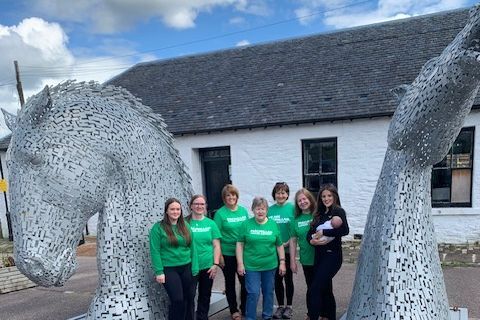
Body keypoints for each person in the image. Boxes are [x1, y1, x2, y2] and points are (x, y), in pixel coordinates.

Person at [236, 197, 286, 320]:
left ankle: (267, 316)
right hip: (251, 266)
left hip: (270, 265)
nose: (260, 211)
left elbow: (279, 245)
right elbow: (239, 244)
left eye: (263, 209)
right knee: (253, 292)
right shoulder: (246, 224)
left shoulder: (273, 225)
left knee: (268, 292)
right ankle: (250, 317)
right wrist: (240, 263)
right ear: (253, 210)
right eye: (257, 208)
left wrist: (282, 262)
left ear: (267, 210)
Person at [149, 198, 199, 320]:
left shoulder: (185, 226)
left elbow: (193, 247)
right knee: (177, 300)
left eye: (178, 209)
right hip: (169, 269)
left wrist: (195, 267)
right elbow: (155, 251)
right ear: (166, 211)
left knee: (189, 298)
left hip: (186, 266)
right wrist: (159, 272)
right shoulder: (158, 228)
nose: (175, 212)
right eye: (172, 209)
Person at [307, 184, 349, 320]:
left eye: (329, 196)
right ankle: (329, 316)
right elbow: (310, 233)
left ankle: (313, 317)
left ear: (335, 196)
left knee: (315, 289)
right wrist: (311, 241)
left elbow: (344, 230)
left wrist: (324, 231)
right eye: (323, 196)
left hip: (332, 256)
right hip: (319, 256)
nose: (326, 199)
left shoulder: (338, 211)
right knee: (326, 289)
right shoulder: (319, 214)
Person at [213, 184, 249, 320]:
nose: (231, 197)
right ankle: (234, 310)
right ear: (224, 197)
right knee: (230, 283)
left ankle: (244, 308)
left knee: (245, 283)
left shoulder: (243, 212)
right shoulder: (220, 214)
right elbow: (216, 237)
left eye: (233, 194)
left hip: (243, 254)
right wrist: (219, 256)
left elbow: (247, 231)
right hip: (227, 254)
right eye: (228, 195)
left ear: (237, 196)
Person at [187, 195, 222, 320]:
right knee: (189, 296)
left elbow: (216, 246)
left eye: (202, 204)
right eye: (196, 204)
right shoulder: (185, 223)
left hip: (208, 266)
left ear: (205, 206)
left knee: (205, 295)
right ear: (191, 206)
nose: (199, 206)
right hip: (190, 266)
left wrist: (215, 264)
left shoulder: (211, 224)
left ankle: (202, 318)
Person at [268, 182, 295, 319]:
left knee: (288, 278)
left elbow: (295, 230)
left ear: (287, 195)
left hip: (288, 249)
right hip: (274, 251)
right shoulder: (269, 210)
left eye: (283, 192)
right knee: (277, 279)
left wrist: (288, 242)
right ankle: (280, 306)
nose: (281, 195)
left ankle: (289, 307)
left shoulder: (293, 209)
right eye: (278, 193)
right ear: (274, 194)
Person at [289, 188, 317, 320]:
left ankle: (325, 313)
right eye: (299, 200)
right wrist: (293, 261)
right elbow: (293, 241)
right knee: (311, 288)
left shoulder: (317, 215)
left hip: (321, 259)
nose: (302, 202)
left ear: (310, 199)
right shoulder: (295, 220)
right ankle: (311, 314)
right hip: (306, 260)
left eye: (304, 199)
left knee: (323, 287)